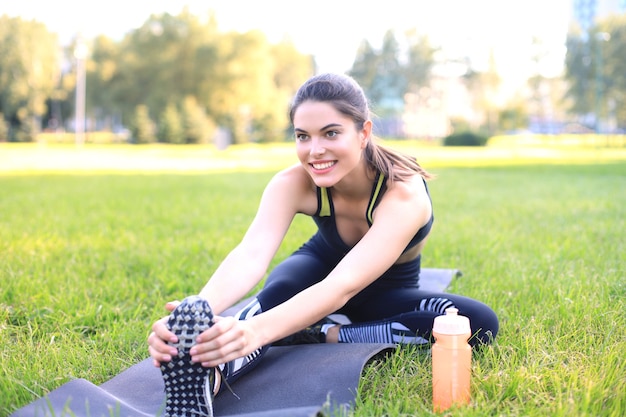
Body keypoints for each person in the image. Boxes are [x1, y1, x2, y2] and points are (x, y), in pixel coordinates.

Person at [148, 73, 499, 416]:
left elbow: (342, 286)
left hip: (384, 293)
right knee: (277, 294)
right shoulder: (293, 182)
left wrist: (258, 330)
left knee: (478, 323)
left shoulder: (402, 192)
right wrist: (198, 311)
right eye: (303, 136)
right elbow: (251, 253)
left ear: (363, 133)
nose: (315, 151)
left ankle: (323, 334)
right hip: (317, 266)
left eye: (331, 133)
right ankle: (210, 373)